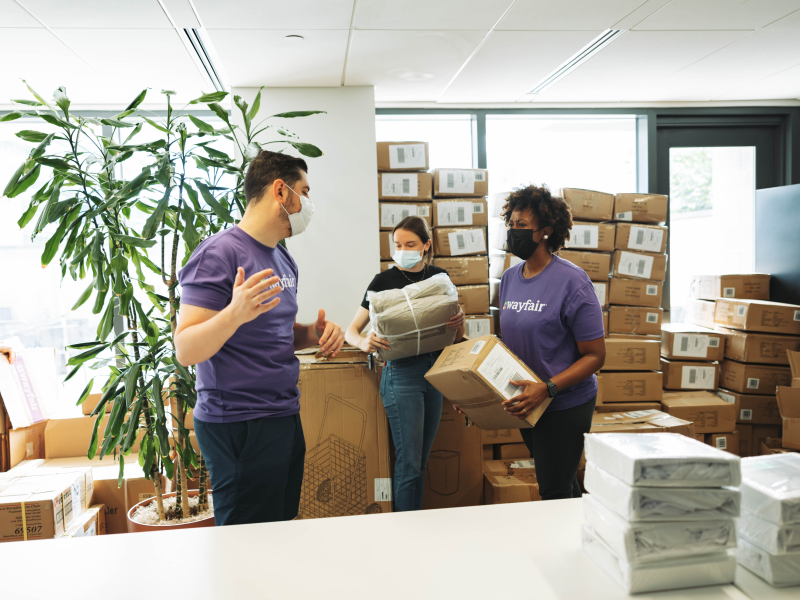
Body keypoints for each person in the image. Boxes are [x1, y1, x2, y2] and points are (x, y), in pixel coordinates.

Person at [174, 150, 345, 525]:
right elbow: (185, 349)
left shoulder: (283, 259)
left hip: (283, 415)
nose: (308, 204)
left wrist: (313, 334)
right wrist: (234, 313)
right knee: (246, 543)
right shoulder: (218, 254)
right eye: (305, 191)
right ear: (280, 192)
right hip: (238, 423)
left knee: (279, 530)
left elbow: (279, 334)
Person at [344, 216, 465, 511]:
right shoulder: (382, 282)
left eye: (410, 244)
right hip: (401, 376)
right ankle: (404, 534)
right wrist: (364, 343)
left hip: (435, 374)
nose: (403, 250)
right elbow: (351, 331)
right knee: (409, 463)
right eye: (397, 245)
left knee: (421, 462)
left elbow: (456, 336)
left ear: (426, 245)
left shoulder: (440, 279)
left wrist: (460, 322)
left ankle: (411, 526)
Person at [496, 184, 605, 500]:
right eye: (511, 224)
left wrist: (548, 387)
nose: (513, 231)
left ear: (544, 232)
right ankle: (582, 538)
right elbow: (509, 343)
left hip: (565, 404)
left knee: (553, 489)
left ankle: (564, 549)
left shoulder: (572, 282)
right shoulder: (510, 279)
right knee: (563, 482)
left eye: (522, 226)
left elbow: (595, 356)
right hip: (529, 401)